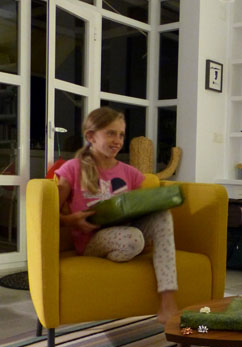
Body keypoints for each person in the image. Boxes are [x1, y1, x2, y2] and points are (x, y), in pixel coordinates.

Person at [55, 107, 179, 324]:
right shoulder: (72, 168)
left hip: (126, 229)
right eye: (111, 133)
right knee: (133, 240)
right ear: (91, 136)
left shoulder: (130, 173)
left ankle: (168, 301)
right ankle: (130, 249)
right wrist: (70, 220)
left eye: (121, 135)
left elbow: (139, 208)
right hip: (92, 240)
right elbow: (48, 215)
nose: (118, 140)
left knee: (162, 215)